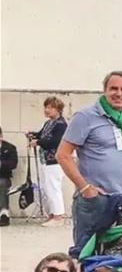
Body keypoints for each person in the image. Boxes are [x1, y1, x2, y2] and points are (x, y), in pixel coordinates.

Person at [58, 71, 122, 247]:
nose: (119, 94)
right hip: (96, 200)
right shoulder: (85, 117)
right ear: (104, 90)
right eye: (113, 88)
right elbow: (63, 155)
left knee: (117, 254)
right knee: (86, 251)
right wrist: (85, 188)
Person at [28, 96, 68, 226]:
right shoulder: (48, 123)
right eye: (46, 107)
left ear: (58, 109)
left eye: (50, 108)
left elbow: (55, 141)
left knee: (53, 188)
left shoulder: (61, 124)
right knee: (47, 188)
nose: (47, 110)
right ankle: (52, 214)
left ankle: (58, 217)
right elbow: (41, 135)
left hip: (55, 161)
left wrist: (38, 142)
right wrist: (33, 135)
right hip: (45, 160)